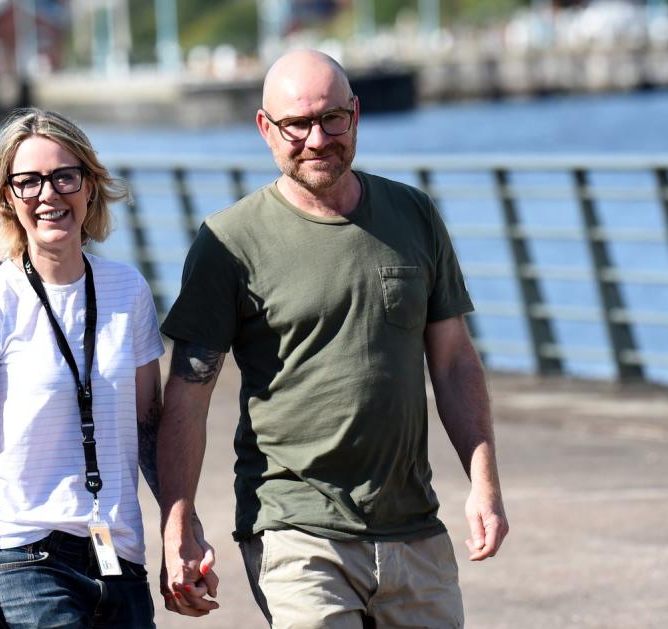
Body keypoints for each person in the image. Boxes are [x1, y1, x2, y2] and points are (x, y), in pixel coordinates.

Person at [157, 50, 509, 628]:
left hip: (413, 525)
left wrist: (485, 484)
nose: (317, 139)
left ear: (356, 115)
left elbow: (453, 364)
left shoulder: (413, 215)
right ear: (266, 129)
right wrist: (178, 528)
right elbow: (188, 398)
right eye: (297, 124)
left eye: (332, 119)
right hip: (295, 528)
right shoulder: (229, 243)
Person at [0, 108, 216, 629]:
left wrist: (181, 531)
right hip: (17, 558)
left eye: (64, 177)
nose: (48, 195)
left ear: (89, 186)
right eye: (28, 182)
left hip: (119, 557)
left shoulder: (128, 292)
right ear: (8, 198)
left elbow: (147, 432)